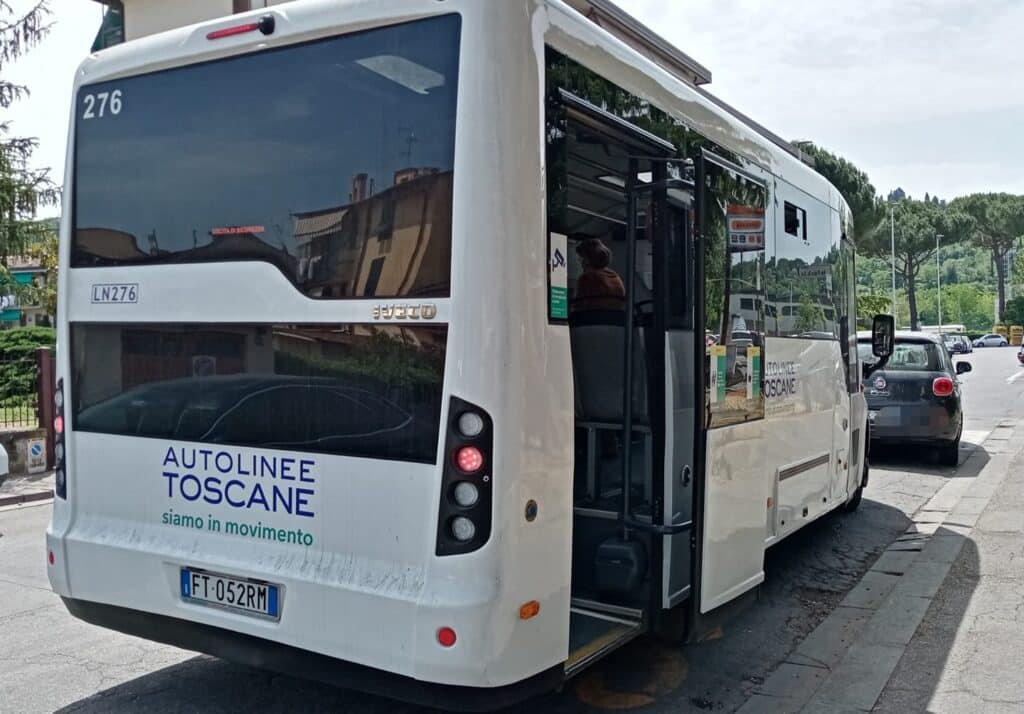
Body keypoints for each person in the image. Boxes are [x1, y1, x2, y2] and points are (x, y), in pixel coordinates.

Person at [571, 238, 625, 313]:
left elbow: (578, 307)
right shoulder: (616, 277)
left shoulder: (586, 278)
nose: (580, 262)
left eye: (581, 258)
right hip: (614, 321)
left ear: (586, 259)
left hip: (591, 320)